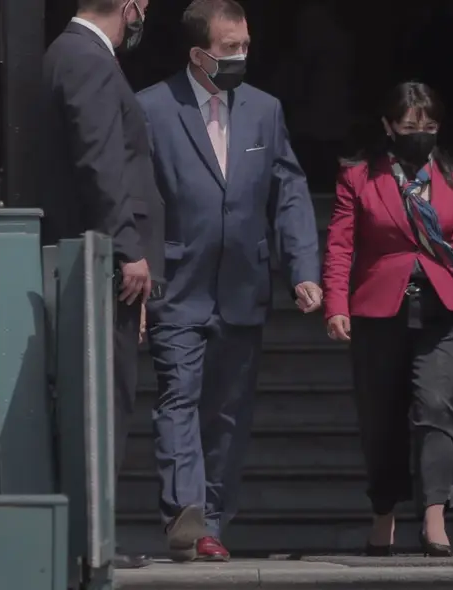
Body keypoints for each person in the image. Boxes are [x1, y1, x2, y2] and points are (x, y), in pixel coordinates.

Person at [136, 0, 322, 562]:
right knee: (178, 397)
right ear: (199, 55)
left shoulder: (264, 110)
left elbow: (287, 190)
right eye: (229, 48)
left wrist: (303, 268)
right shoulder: (151, 108)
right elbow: (140, 200)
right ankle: (185, 513)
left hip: (242, 285)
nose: (241, 55)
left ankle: (212, 520)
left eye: (245, 44)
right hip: (178, 282)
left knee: (226, 412)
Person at [322, 81, 453, 557]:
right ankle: (384, 514)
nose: (421, 134)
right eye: (410, 126)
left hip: (444, 310)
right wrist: (336, 304)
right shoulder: (359, 176)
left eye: (430, 127)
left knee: (437, 407)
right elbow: (340, 245)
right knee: (381, 418)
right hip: (379, 308)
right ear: (388, 127)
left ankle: (435, 516)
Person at [40, 0, 171, 570]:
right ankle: (93, 543)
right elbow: (101, 160)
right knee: (104, 400)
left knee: (100, 397)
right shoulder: (89, 59)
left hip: (95, 259)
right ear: (128, 5)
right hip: (104, 264)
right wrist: (128, 247)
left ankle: (89, 540)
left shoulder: (67, 53)